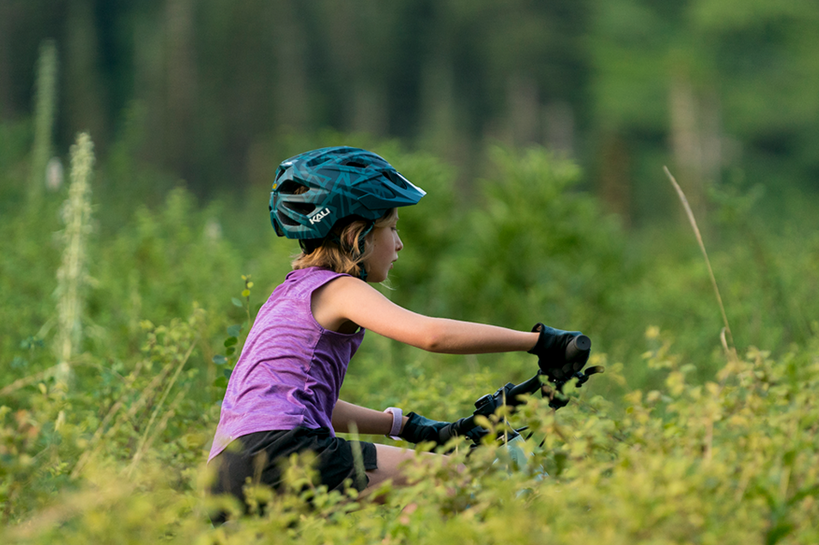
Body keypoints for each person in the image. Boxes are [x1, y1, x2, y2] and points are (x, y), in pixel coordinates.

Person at [207, 146, 583, 508]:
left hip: (227, 469)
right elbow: (431, 335)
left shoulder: (288, 293)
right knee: (459, 481)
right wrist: (539, 341)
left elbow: (304, 403)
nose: (399, 244)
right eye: (392, 228)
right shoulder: (338, 288)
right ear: (359, 235)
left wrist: (408, 426)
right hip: (283, 452)